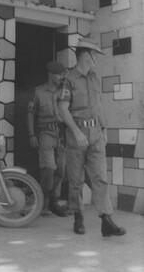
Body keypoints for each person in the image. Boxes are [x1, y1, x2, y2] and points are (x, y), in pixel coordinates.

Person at [58, 38, 126, 237]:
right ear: (86, 55)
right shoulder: (67, 79)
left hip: (96, 134)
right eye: (94, 54)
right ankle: (78, 217)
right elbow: (63, 109)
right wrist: (77, 132)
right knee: (76, 180)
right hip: (76, 135)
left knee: (100, 178)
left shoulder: (95, 78)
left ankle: (107, 221)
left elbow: (98, 107)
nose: (95, 58)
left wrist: (104, 130)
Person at [27, 60, 68, 217]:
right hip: (45, 134)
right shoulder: (38, 92)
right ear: (50, 75)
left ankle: (53, 201)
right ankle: (42, 200)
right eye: (59, 74)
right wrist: (32, 134)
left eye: (63, 74)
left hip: (62, 134)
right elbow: (30, 113)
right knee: (49, 168)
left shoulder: (65, 92)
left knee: (61, 169)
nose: (61, 77)